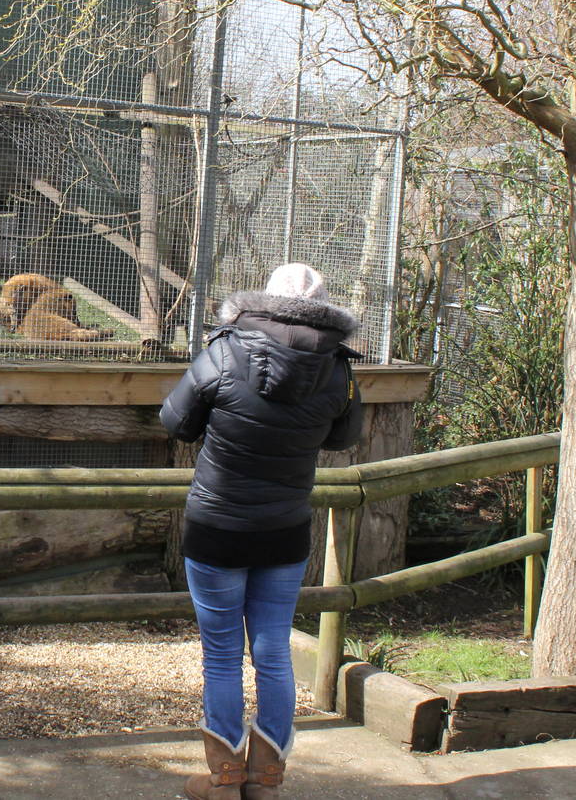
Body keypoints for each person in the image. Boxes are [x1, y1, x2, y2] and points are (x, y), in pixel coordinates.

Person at [160, 263, 363, 800]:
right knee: (272, 652)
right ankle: (265, 781)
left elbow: (175, 420)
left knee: (222, 655)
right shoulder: (339, 368)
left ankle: (224, 781)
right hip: (285, 528)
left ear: (262, 302)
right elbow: (345, 437)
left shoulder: (224, 351)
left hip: (217, 526)